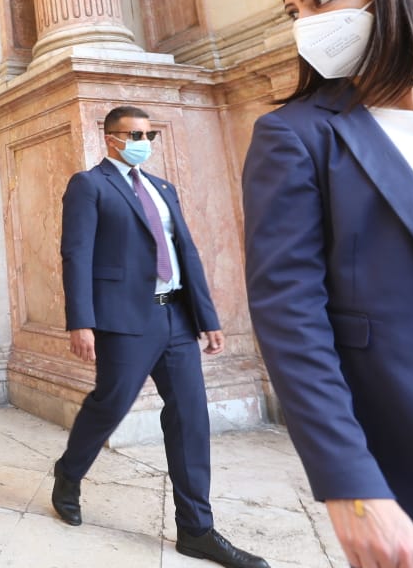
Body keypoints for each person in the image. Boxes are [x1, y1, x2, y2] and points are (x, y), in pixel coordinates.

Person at [242, 0, 413, 568]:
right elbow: (290, 317)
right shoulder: (295, 135)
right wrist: (350, 487)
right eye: (295, 13)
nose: (307, 26)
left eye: (323, 2)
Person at [52, 105, 268, 568]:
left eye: (150, 134)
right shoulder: (89, 185)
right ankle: (69, 473)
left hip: (175, 319)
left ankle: (196, 529)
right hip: (124, 320)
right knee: (109, 404)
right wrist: (80, 321)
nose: (144, 142)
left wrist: (208, 318)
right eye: (135, 134)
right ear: (110, 138)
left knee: (191, 417)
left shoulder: (163, 187)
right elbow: (76, 254)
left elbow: (185, 253)